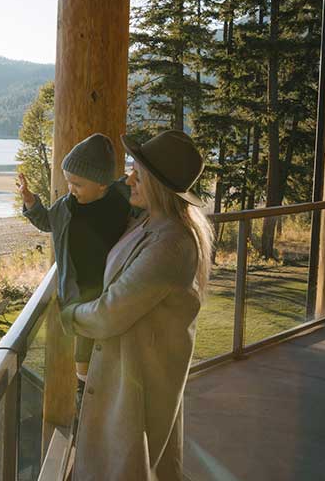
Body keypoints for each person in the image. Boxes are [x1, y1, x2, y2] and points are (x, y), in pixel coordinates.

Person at [59, 129, 213, 481]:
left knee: (124, 463)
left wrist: (68, 314)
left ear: (157, 185)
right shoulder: (147, 223)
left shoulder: (169, 244)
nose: (127, 178)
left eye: (137, 174)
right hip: (134, 370)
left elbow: (111, 312)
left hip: (139, 376)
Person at [18, 133, 135, 382]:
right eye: (69, 182)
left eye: (78, 184)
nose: (71, 189)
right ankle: (84, 395)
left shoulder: (124, 201)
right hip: (80, 297)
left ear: (102, 184)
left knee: (114, 357)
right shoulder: (66, 206)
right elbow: (47, 222)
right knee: (83, 359)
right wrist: (31, 202)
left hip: (115, 293)